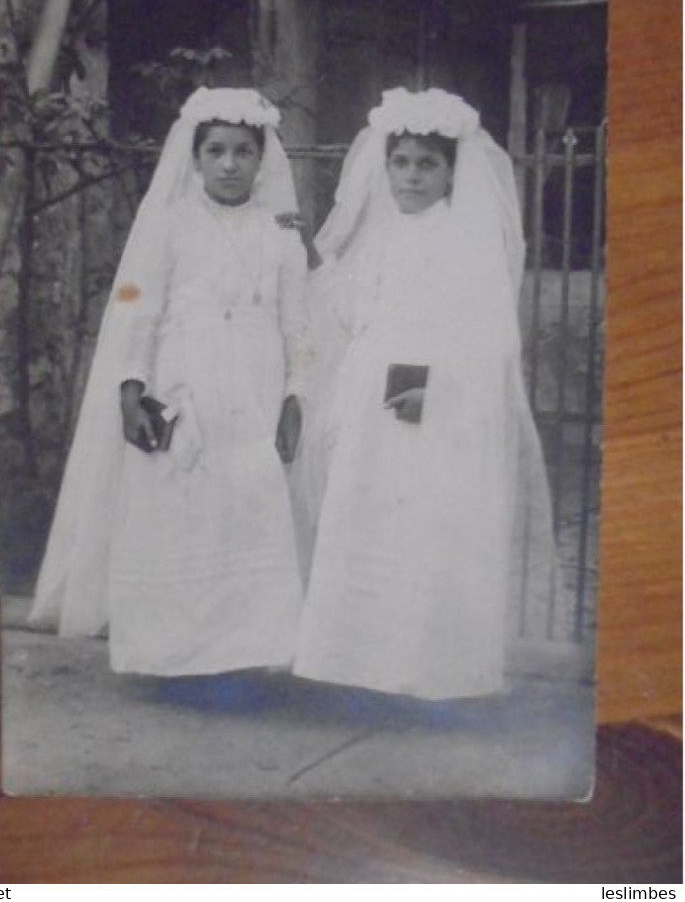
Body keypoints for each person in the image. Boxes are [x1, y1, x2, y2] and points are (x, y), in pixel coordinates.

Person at [30, 87, 308, 678]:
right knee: (182, 500)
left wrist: (294, 397)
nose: (229, 164)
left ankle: (247, 653)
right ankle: (172, 652)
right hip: (186, 378)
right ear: (196, 157)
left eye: (242, 152)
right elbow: (137, 305)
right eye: (216, 151)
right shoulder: (171, 223)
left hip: (255, 387)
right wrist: (131, 389)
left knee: (247, 504)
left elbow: (298, 323)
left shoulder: (281, 232)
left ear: (262, 160)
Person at [292, 87, 555, 700]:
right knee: (364, 511)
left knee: (421, 519)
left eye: (426, 165)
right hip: (370, 384)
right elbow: (354, 309)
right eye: (401, 163)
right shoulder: (381, 233)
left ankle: (420, 665)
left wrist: (427, 386)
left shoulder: (462, 239)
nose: (411, 177)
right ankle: (358, 664)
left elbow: (487, 332)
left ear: (450, 172)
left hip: (431, 392)